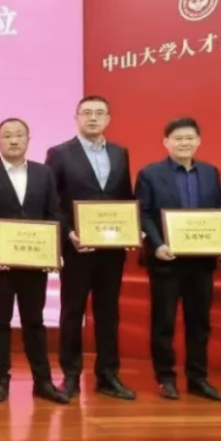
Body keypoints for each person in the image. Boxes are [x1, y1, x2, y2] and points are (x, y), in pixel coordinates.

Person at [0, 118, 69, 405]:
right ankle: (1, 381)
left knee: (35, 322)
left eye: (19, 135)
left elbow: (54, 213)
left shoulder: (44, 173)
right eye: (7, 135)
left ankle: (43, 381)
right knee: (0, 321)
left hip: (35, 263)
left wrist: (53, 249)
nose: (14, 140)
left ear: (28, 139)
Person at [44, 96, 137, 400]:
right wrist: (69, 233)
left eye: (99, 113)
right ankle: (71, 375)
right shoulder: (59, 153)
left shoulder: (120, 153)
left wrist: (130, 230)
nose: (93, 118)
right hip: (77, 248)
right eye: (87, 113)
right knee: (73, 311)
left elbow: (125, 198)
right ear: (76, 118)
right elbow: (52, 202)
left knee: (108, 312)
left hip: (112, 249)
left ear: (108, 118)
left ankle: (108, 375)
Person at [136, 117, 221, 402]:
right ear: (166, 142)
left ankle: (198, 378)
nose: (184, 143)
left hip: (201, 261)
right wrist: (157, 245)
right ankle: (166, 378)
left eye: (190, 138)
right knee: (164, 322)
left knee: (200, 322)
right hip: (166, 260)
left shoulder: (210, 172)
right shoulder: (150, 173)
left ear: (198, 141)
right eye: (178, 138)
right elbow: (143, 213)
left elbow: (217, 212)